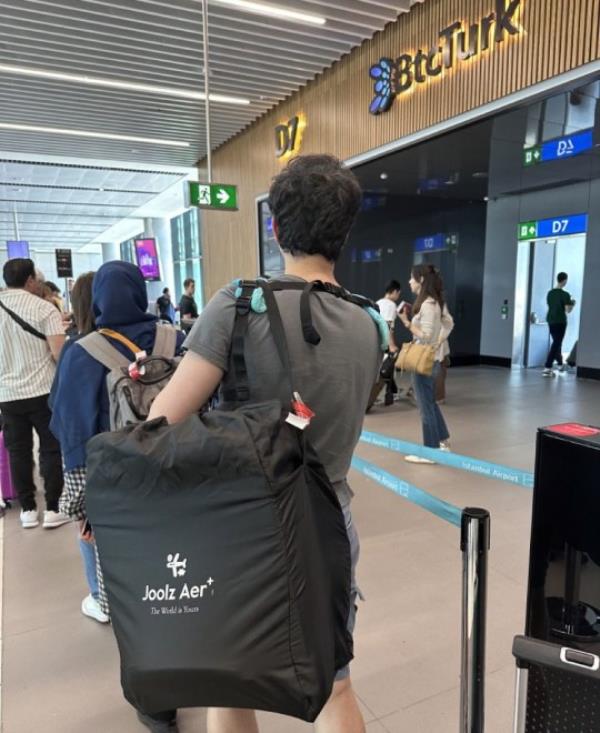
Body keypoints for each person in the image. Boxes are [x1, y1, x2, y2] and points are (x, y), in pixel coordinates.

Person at [147, 154, 381, 733]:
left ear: (275, 227)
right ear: (344, 233)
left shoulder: (238, 303)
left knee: (233, 679)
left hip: (243, 527)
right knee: (336, 683)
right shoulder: (370, 322)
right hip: (330, 520)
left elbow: (163, 419)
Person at [49, 261, 185, 728]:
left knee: (132, 598)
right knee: (183, 587)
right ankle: (197, 667)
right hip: (181, 487)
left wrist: (82, 507)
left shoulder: (83, 352)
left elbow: (71, 433)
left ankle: (157, 707)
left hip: (120, 497)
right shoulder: (175, 340)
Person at [51, 272, 109, 624]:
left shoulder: (78, 348)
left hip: (91, 456)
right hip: (141, 453)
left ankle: (101, 597)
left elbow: (63, 411)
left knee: (89, 526)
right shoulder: (148, 339)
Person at [0, 258, 69, 529]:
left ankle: (28, 510)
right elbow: (58, 354)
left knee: (18, 451)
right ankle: (52, 509)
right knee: (51, 448)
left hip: (7, 393)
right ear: (29, 280)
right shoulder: (45, 309)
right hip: (43, 390)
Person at [398, 264, 454, 465]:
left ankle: (429, 451)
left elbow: (426, 335)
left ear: (421, 279)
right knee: (429, 403)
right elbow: (448, 324)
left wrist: (406, 322)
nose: (409, 282)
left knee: (425, 407)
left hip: (424, 362)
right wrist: (440, 342)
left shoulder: (428, 305)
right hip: (432, 360)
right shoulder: (435, 303)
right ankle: (442, 441)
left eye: (411, 278)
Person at [543, 272, 576, 377]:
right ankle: (547, 367)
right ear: (565, 280)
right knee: (557, 343)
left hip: (550, 320)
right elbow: (568, 310)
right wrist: (573, 303)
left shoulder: (550, 293)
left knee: (557, 343)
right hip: (560, 321)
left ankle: (560, 365)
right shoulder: (565, 294)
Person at [376, 279, 402, 351]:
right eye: (398, 294)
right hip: (384, 344)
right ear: (394, 291)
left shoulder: (378, 302)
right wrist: (392, 345)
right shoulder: (391, 305)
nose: (398, 296)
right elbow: (388, 325)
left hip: (376, 340)